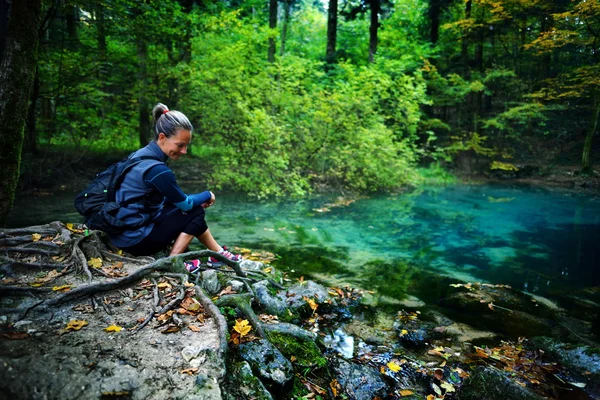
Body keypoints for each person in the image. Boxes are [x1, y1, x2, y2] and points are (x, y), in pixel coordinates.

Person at [107, 102, 242, 272]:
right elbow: (185, 204)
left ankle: (218, 253)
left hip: (121, 233)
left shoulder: (140, 155)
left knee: (189, 208)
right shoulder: (157, 170)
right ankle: (173, 262)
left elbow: (170, 199)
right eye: (180, 145)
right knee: (195, 211)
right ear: (162, 137)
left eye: (186, 146)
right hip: (135, 240)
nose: (184, 151)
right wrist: (208, 194)